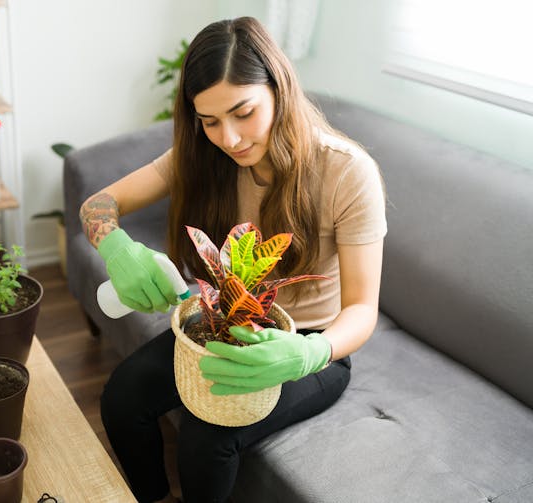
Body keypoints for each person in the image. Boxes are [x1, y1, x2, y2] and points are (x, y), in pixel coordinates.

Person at [79, 16, 386, 503]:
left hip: (309, 345)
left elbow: (362, 310)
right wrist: (115, 247)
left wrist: (308, 354)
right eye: (210, 121)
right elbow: (97, 205)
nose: (230, 138)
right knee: (122, 398)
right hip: (222, 327)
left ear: (279, 89)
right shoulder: (204, 154)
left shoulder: (346, 173)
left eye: (243, 112)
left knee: (207, 438)